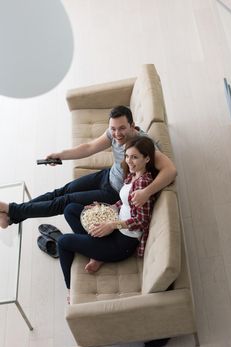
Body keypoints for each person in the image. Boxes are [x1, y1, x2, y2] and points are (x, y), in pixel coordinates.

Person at [0, 106, 176, 229]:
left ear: (132, 125)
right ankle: (12, 217)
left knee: (64, 201)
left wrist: (146, 192)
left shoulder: (144, 145)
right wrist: (61, 154)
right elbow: (90, 147)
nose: (117, 134)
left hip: (115, 193)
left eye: (122, 128)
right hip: (107, 176)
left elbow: (170, 170)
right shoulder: (113, 133)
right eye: (113, 129)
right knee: (61, 191)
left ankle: (11, 209)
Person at [58, 136, 158, 301]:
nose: (129, 161)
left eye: (135, 157)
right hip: (115, 226)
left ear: (147, 158)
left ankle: (70, 289)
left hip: (122, 243)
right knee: (71, 209)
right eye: (127, 156)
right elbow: (124, 201)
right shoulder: (132, 175)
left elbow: (143, 221)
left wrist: (112, 225)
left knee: (63, 242)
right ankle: (97, 253)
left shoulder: (143, 185)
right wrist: (105, 208)